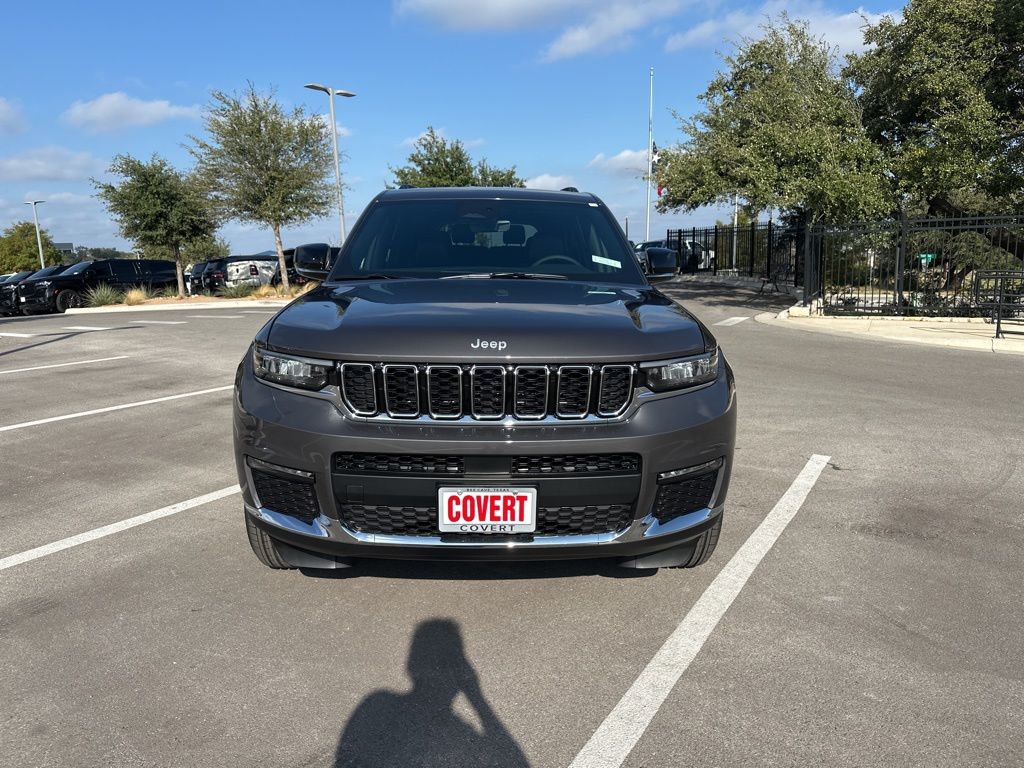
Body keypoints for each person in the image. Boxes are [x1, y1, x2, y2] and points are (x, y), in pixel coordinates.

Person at [335, 619, 529, 767]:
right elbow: (516, 760)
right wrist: (477, 698)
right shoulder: (378, 702)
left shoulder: (376, 702)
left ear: (411, 665)